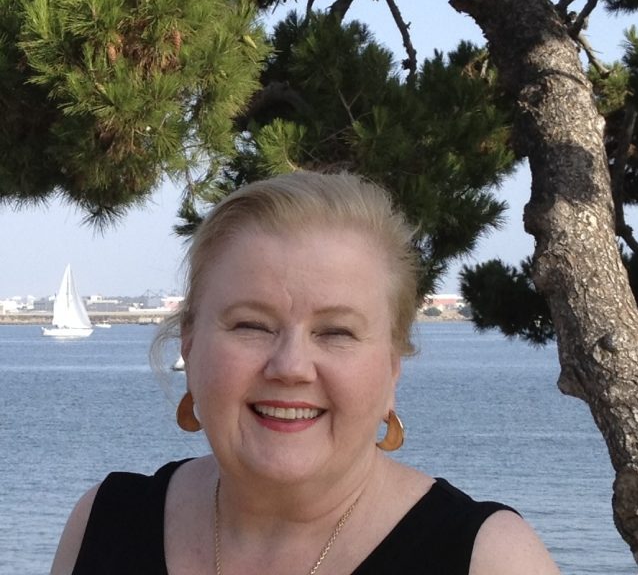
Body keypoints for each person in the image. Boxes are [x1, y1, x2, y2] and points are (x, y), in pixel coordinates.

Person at [51, 170, 561, 575]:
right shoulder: (103, 525)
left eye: (336, 332)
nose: (291, 366)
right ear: (190, 346)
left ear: (391, 367)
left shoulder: (490, 559)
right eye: (252, 325)